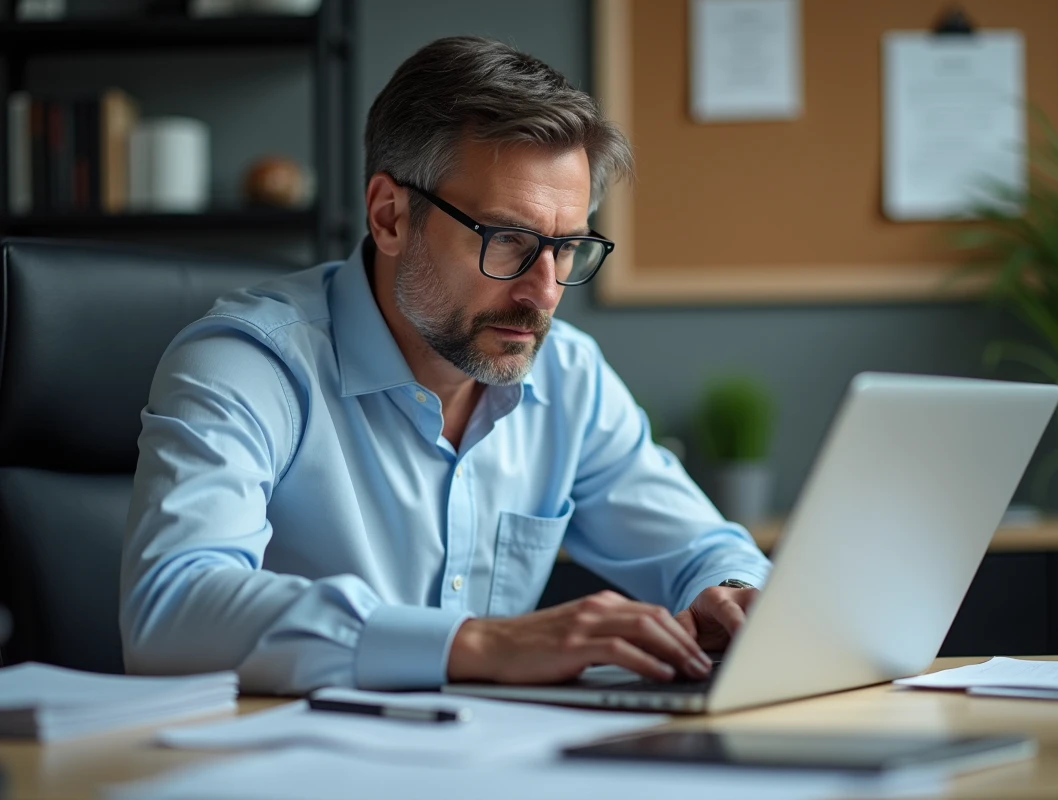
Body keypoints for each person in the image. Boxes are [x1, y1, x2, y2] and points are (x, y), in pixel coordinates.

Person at [120, 36, 772, 695]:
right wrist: (479, 644)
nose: (543, 292)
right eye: (507, 240)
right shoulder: (246, 365)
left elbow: (702, 546)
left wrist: (732, 593)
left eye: (566, 247)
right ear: (390, 217)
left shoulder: (568, 375)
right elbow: (170, 610)